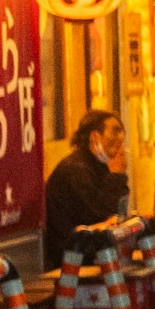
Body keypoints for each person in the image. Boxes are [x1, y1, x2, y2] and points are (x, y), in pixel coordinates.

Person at [39, 111, 129, 264]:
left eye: (121, 132)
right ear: (95, 136)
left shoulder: (99, 166)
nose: (120, 138)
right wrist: (116, 177)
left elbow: (116, 211)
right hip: (71, 257)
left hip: (90, 252)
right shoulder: (75, 169)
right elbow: (98, 213)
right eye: (114, 131)